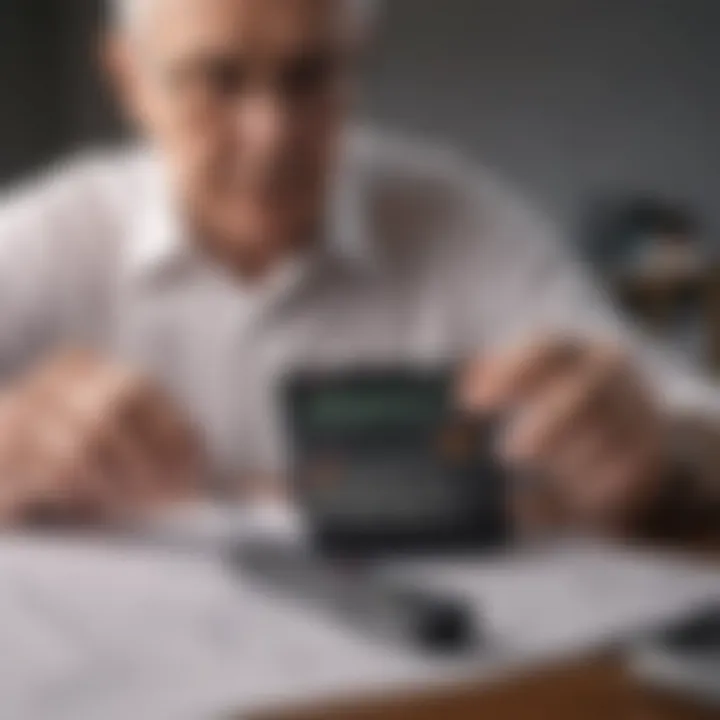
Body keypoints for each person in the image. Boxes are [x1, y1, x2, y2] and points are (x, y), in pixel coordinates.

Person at [0, 0, 716, 533]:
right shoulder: (47, 235)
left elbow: (699, 425)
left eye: (311, 76)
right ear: (129, 80)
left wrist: (658, 450)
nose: (272, 134)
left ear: (356, 58)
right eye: (217, 79)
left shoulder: (456, 219)